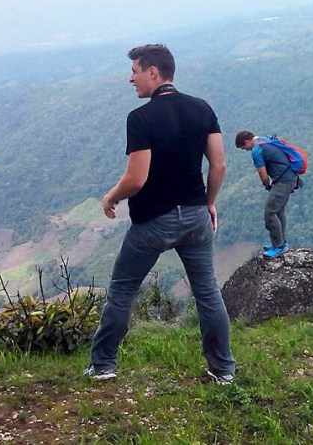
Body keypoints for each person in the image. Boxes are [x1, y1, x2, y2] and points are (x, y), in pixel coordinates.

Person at [84, 44, 236, 384]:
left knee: (123, 290)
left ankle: (103, 365)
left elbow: (136, 179)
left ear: (153, 72)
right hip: (196, 216)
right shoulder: (202, 109)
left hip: (153, 221)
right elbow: (220, 164)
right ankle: (223, 370)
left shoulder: (140, 118)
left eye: (135, 71)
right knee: (207, 292)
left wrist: (110, 197)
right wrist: (208, 202)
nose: (130, 78)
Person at [235, 130, 297, 258]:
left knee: (270, 213)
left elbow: (262, 174)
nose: (245, 150)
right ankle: (280, 242)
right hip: (290, 177)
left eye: (243, 148)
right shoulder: (264, 139)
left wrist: (267, 185)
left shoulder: (256, 150)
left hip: (283, 181)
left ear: (247, 142)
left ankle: (279, 246)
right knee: (278, 211)